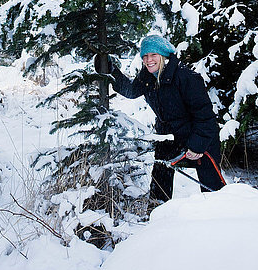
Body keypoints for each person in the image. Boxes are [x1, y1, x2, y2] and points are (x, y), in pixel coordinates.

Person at [96, 34, 225, 207]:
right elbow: (131, 90)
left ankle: (221, 216)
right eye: (145, 56)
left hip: (200, 138)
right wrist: (112, 70)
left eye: (153, 55)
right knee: (160, 182)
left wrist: (197, 145)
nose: (148, 60)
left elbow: (206, 117)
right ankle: (158, 215)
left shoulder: (186, 78)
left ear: (163, 55)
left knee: (213, 189)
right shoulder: (148, 77)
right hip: (169, 137)